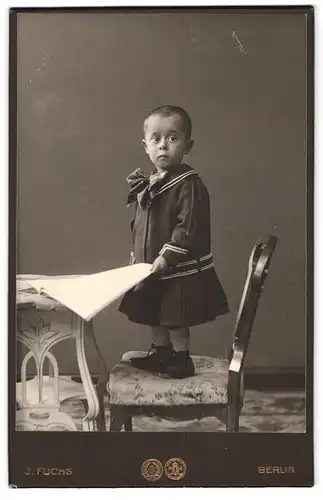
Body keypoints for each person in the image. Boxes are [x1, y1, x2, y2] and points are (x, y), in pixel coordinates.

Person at [119, 105, 229, 378]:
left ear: (187, 145)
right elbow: (143, 225)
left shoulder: (188, 184)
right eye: (156, 139)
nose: (163, 146)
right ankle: (161, 355)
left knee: (174, 317)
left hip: (177, 269)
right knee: (153, 315)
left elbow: (187, 227)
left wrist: (167, 256)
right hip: (152, 268)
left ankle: (181, 359)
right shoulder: (150, 183)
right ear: (145, 146)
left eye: (172, 138)